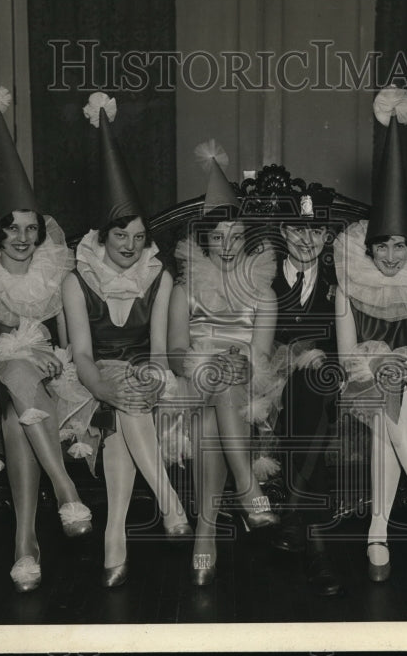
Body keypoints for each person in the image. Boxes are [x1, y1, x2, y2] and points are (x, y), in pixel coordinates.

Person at [0, 85, 93, 593]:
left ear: (41, 232)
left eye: (30, 229)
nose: (21, 238)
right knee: (12, 381)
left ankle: (24, 543)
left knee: (19, 413)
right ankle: (64, 489)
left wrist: (43, 358)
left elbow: (79, 351)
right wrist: (19, 351)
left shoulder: (59, 276)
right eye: (12, 229)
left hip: (56, 384)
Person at [61, 93, 190, 589]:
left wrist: (149, 379)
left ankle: (117, 538)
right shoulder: (77, 280)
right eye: (121, 236)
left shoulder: (159, 277)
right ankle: (166, 506)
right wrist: (103, 388)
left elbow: (159, 351)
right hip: (91, 379)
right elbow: (83, 355)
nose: (130, 246)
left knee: (133, 397)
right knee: (120, 405)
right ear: (103, 233)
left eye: (138, 236)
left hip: (146, 373)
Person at [333, 89, 407, 583]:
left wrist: (399, 368)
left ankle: (378, 531)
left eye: (399, 245)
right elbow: (346, 359)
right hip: (356, 383)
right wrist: (381, 366)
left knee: (397, 389)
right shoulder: (347, 281)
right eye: (381, 245)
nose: (390, 256)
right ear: (370, 246)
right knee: (387, 386)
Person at [165, 142, 285, 586]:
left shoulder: (263, 293)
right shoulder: (185, 288)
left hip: (242, 383)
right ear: (205, 240)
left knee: (223, 397)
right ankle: (247, 489)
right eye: (218, 238)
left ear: (247, 239)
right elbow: (175, 350)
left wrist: (240, 364)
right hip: (190, 377)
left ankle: (205, 531)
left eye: (236, 237)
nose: (228, 246)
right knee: (215, 380)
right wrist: (205, 362)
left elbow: (261, 355)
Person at [258, 174, 345, 596]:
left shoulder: (338, 283)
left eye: (316, 230)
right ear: (283, 232)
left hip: (323, 376)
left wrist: (320, 356)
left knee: (313, 384)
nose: (306, 239)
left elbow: (344, 344)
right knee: (305, 400)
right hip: (271, 377)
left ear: (327, 236)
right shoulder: (264, 277)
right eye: (297, 229)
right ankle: (317, 547)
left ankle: (292, 513)